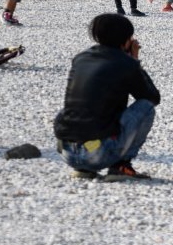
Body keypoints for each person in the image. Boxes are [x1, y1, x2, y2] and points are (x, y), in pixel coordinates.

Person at [54, 13, 160, 181]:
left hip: (67, 153)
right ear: (126, 40)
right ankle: (121, 166)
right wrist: (134, 60)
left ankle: (83, 168)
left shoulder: (80, 58)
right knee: (146, 108)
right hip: (97, 154)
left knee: (76, 106)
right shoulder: (126, 63)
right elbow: (152, 97)